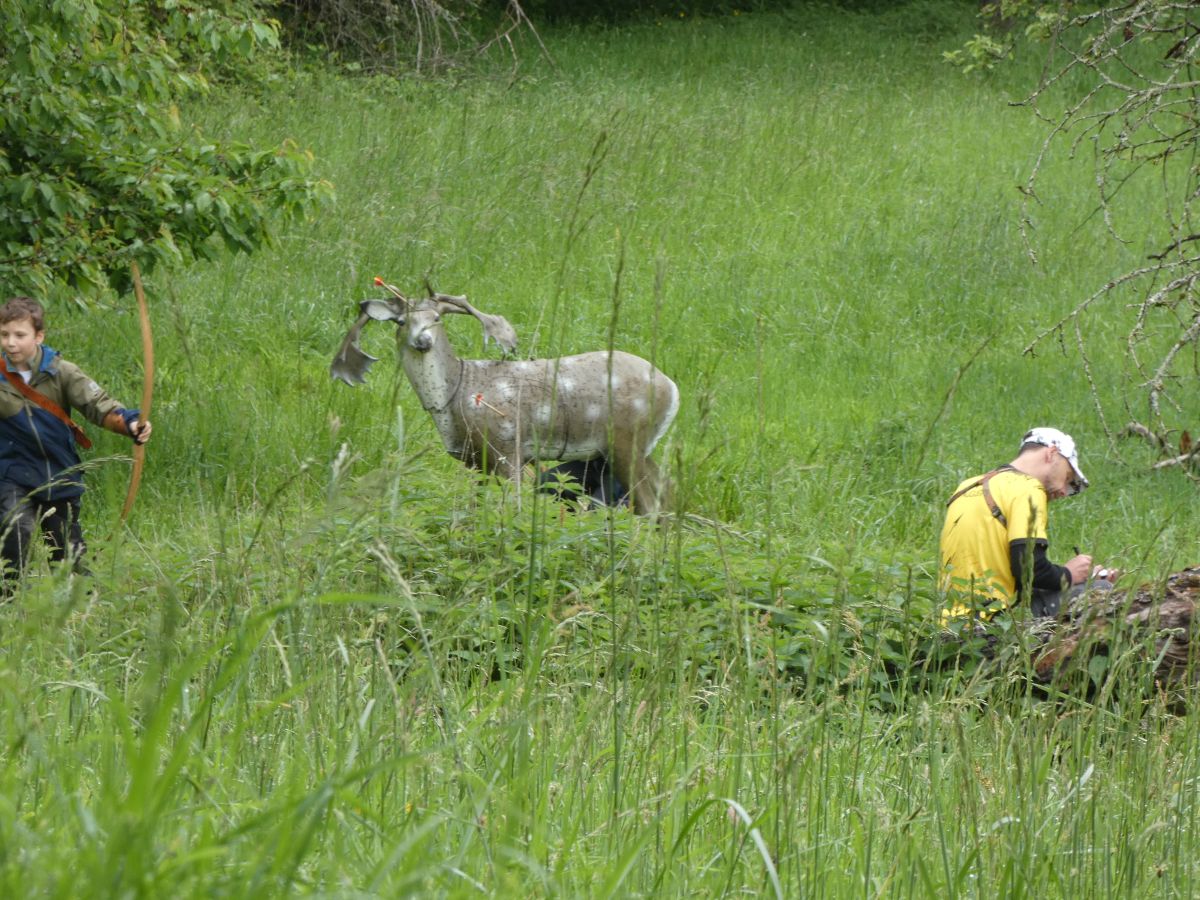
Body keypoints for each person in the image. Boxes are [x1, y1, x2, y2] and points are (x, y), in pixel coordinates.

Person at [0, 296, 151, 583]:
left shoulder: (61, 372)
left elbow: (99, 405)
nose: (10, 343)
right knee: (15, 533)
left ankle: (78, 602)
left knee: (68, 555)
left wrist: (131, 424)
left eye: (20, 335)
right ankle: (11, 599)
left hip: (59, 472)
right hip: (12, 474)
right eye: (4, 334)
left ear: (39, 336)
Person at [939, 427, 1116, 621]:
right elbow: (1030, 570)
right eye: (1067, 477)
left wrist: (1077, 577)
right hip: (991, 620)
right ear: (1052, 453)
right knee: (1102, 590)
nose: (1064, 491)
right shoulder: (1028, 488)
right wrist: (1070, 574)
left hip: (950, 620)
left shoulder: (968, 486)